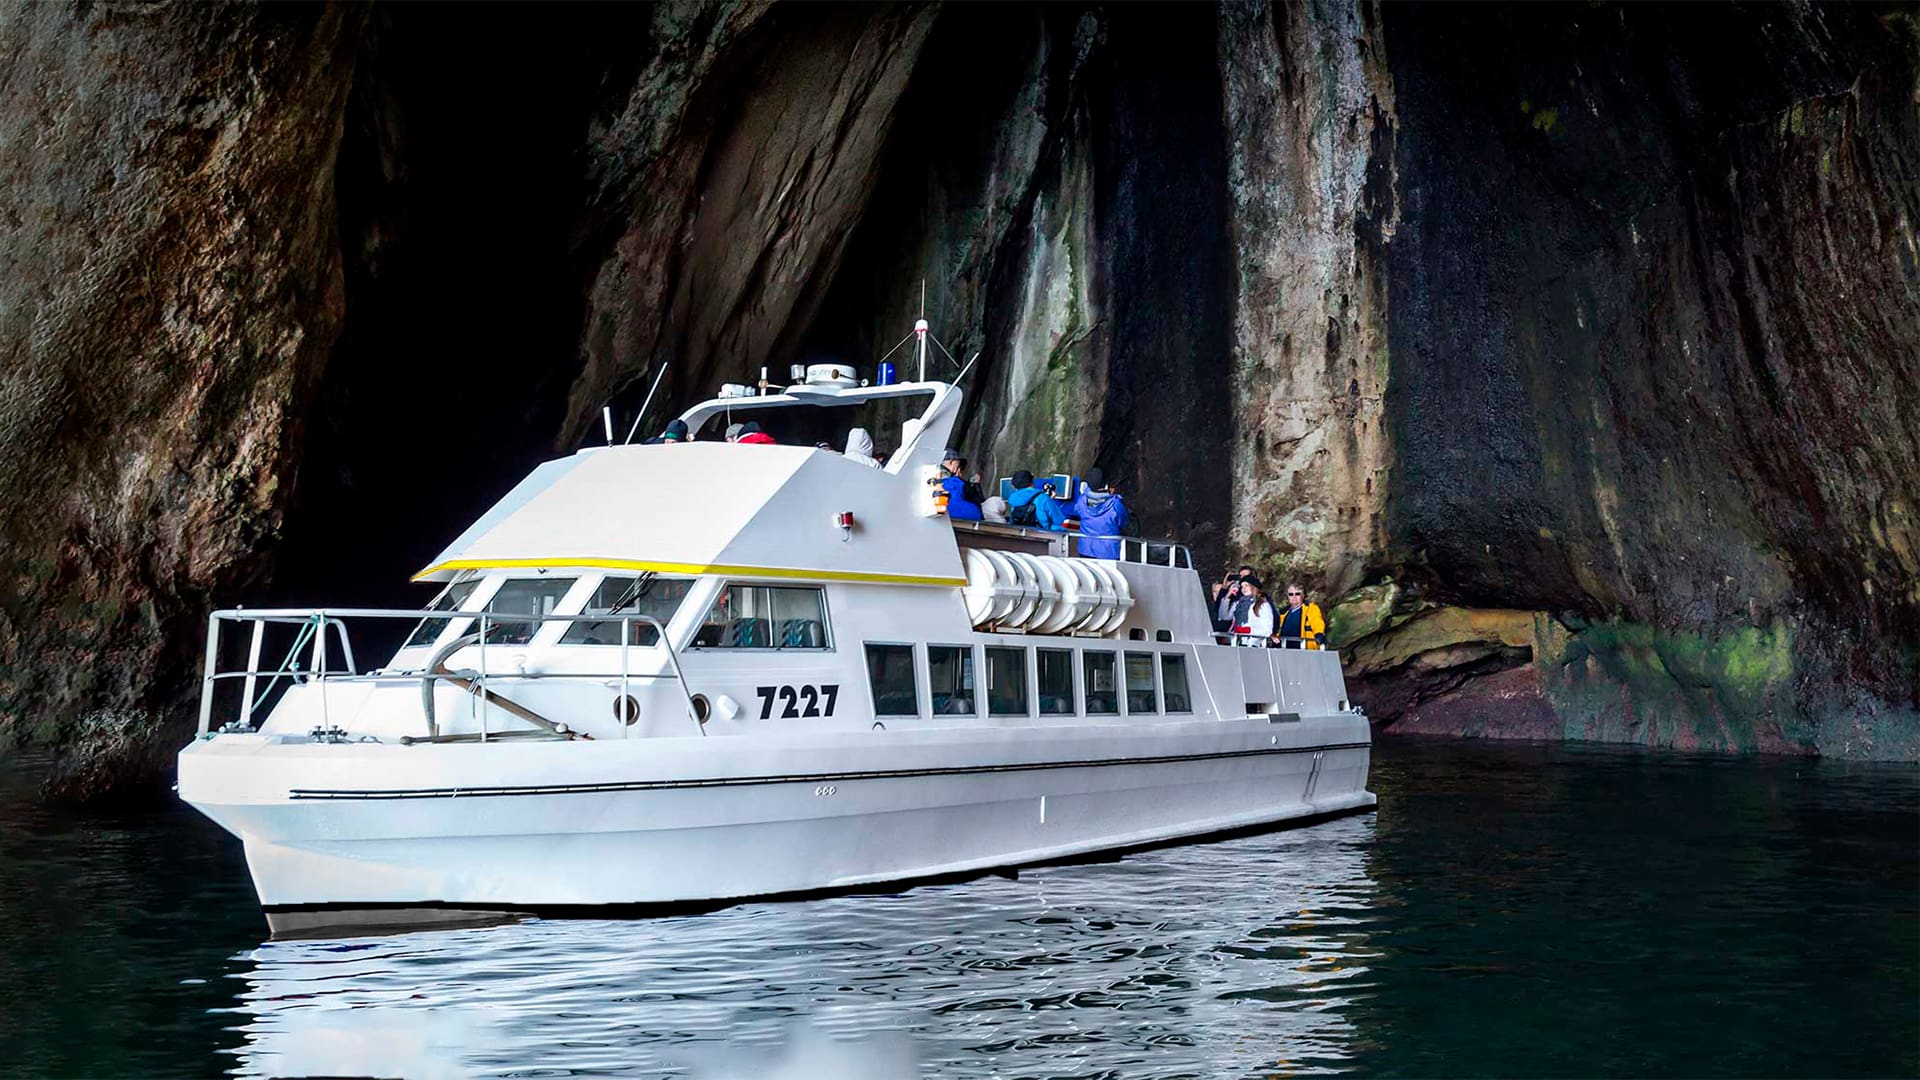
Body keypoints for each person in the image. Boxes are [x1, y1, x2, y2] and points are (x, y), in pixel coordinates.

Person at [1067, 467, 1129, 559]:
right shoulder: (1115, 504)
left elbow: (1077, 511)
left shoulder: (1082, 500)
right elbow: (1123, 523)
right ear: (1105, 485)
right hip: (1108, 552)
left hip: (1085, 549)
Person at [1275, 583, 1326, 650]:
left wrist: (1319, 634)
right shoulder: (1283, 613)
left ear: (1303, 595)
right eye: (1291, 594)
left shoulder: (1311, 608)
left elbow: (1317, 622)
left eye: (1297, 594)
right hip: (1284, 649)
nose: (1294, 596)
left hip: (1304, 649)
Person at [1211, 565, 1256, 631]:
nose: (1242, 579)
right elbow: (1221, 613)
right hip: (1230, 632)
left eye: (1245, 577)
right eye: (1240, 576)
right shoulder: (1236, 597)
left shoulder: (1259, 600)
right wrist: (1224, 589)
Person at [1232, 578, 1275, 646]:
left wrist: (1249, 630)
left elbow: (1267, 631)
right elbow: (1225, 616)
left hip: (1254, 645)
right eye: (1242, 586)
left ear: (1253, 587)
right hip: (1238, 643)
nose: (1244, 588)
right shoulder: (1239, 604)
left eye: (1246, 585)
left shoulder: (1263, 605)